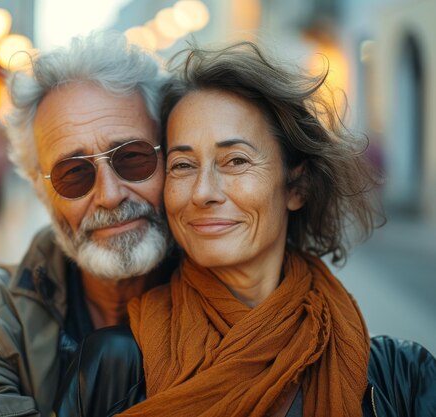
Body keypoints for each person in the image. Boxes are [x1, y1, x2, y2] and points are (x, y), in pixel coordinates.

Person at [54, 42, 436, 417]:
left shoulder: (403, 376)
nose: (203, 193)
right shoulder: (112, 365)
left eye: (235, 161)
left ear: (296, 186)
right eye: (183, 165)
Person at [0, 32, 177, 417]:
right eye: (74, 173)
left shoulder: (230, 296)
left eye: (132, 157)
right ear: (41, 192)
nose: (110, 195)